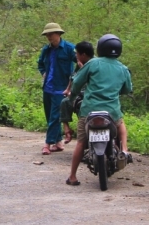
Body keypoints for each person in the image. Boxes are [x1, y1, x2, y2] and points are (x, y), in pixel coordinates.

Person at [66, 34, 132, 186]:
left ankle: (73, 176)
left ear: (100, 48)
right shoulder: (122, 68)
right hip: (111, 111)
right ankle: (125, 151)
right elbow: (127, 89)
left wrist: (72, 95)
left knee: (81, 143)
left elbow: (76, 82)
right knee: (121, 125)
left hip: (89, 110)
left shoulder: (93, 63)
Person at [37, 23, 77, 155]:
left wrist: (75, 79)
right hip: (48, 87)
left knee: (55, 116)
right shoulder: (46, 50)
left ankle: (47, 144)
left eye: (51, 34)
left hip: (62, 88)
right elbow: (40, 63)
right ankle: (58, 142)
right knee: (49, 116)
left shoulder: (69, 48)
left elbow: (82, 62)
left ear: (58, 34)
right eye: (47, 34)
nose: (49, 37)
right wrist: (43, 72)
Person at [60, 41, 94, 145]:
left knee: (81, 106)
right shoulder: (79, 63)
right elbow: (73, 77)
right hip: (79, 92)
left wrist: (82, 69)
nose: (75, 55)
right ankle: (67, 131)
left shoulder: (94, 64)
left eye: (77, 53)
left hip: (90, 94)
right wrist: (68, 89)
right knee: (64, 103)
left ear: (83, 54)